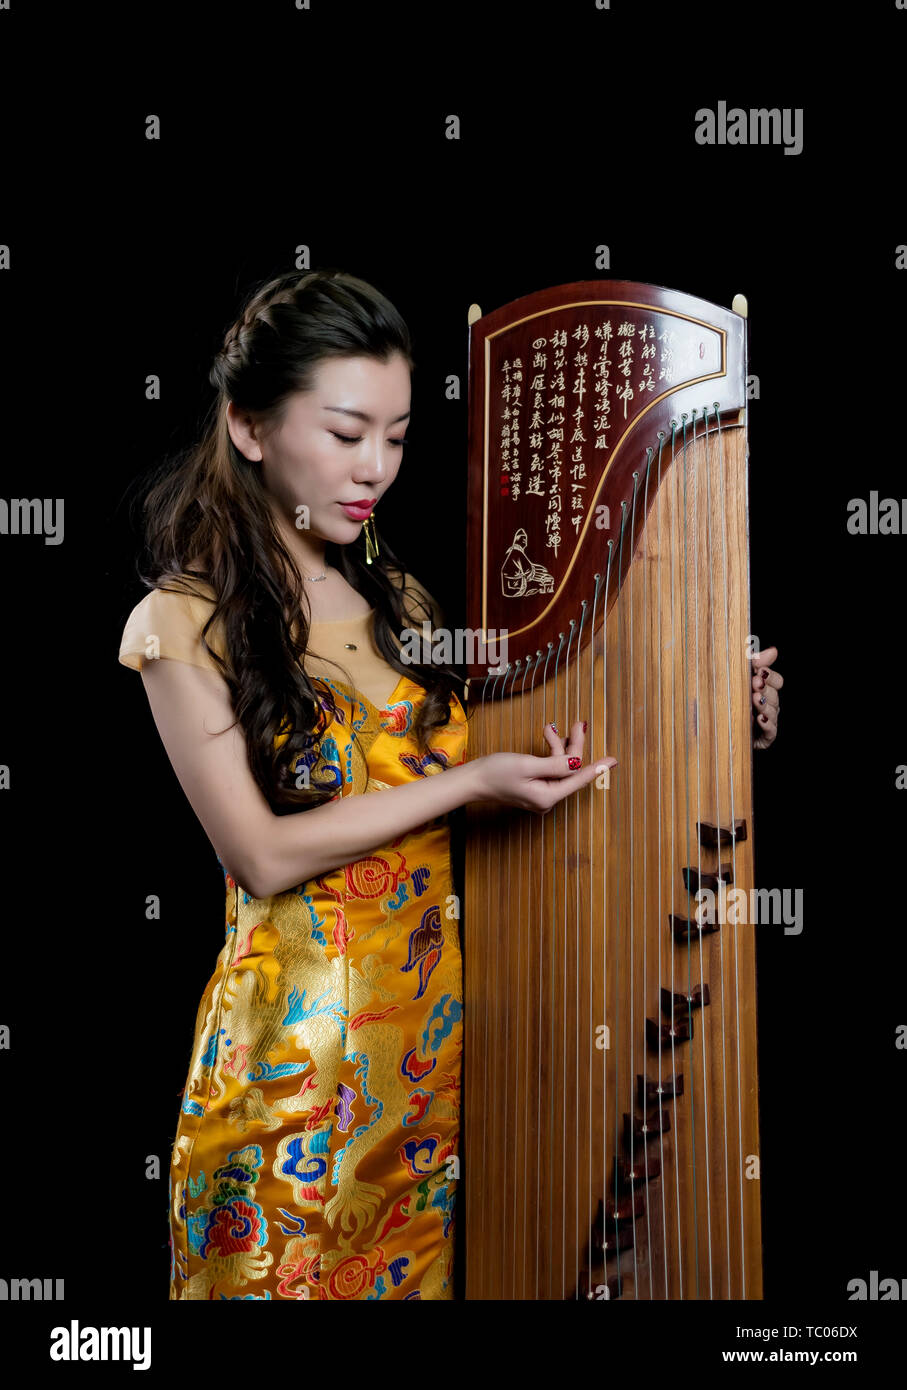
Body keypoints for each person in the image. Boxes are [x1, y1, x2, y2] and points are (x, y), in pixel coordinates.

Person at [117, 268, 614, 1301]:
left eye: (394, 435)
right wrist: (468, 777)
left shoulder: (402, 602)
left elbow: (533, 763)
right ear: (250, 426)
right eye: (346, 435)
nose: (376, 467)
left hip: (428, 1087)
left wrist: (711, 697)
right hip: (287, 1088)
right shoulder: (183, 621)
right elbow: (261, 853)